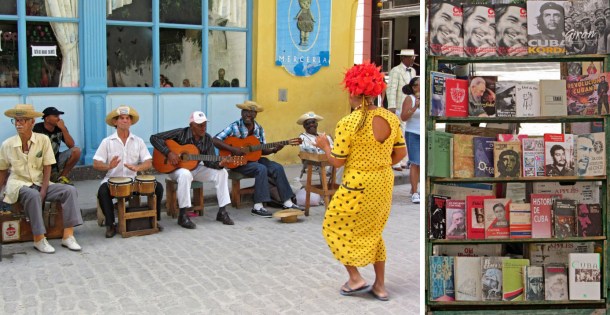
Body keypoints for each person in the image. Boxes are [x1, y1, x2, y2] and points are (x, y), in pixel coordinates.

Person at [314, 62, 407, 301]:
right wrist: (380, 163)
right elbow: (400, 154)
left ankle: (355, 278)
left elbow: (337, 162)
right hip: (383, 182)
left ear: (353, 92)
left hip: (358, 183)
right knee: (374, 232)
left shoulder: (348, 122)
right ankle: (380, 286)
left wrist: (324, 145)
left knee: (333, 226)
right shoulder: (390, 118)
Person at [0, 104, 83, 253]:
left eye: (22, 120)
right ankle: (39, 238)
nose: (18, 124)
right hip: (19, 185)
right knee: (32, 195)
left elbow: (47, 167)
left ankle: (68, 236)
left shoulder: (43, 140)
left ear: (32, 122)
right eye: (16, 121)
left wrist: (44, 190)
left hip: (40, 181)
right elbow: (3, 171)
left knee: (69, 190)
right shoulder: (7, 145)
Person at [213, 100, 304, 218]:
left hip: (254, 160)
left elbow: (261, 150)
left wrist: (274, 150)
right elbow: (215, 140)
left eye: (252, 112)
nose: (248, 115)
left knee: (277, 167)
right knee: (261, 169)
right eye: (246, 111)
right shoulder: (234, 127)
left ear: (256, 115)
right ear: (241, 112)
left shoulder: (259, 129)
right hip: (237, 162)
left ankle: (287, 202)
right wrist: (235, 150)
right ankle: (258, 206)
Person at [150, 111, 234, 227]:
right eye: (199, 125)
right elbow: (154, 138)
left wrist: (220, 164)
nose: (203, 128)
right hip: (175, 169)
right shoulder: (180, 133)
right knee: (185, 174)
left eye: (204, 124)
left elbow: (210, 163)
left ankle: (222, 212)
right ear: (191, 125)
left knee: (222, 172)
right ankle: (183, 215)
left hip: (195, 168)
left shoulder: (207, 139)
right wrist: (168, 153)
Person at [93, 106, 164, 238]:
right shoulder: (107, 142)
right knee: (103, 192)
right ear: (115, 122)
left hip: (133, 181)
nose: (125, 121)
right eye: (121, 118)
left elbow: (148, 161)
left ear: (131, 122)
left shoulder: (138, 141)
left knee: (158, 188)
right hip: (112, 180)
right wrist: (109, 165)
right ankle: (110, 224)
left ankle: (155, 220)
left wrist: (138, 168)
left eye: (127, 118)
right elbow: (96, 163)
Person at [32, 107, 81, 185]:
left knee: (76, 151)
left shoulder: (60, 128)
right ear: (47, 118)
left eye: (59, 116)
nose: (59, 119)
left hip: (56, 159)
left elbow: (71, 145)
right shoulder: (37, 128)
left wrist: (63, 129)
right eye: (56, 116)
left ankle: (61, 178)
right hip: (40, 162)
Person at [387, 49, 416, 170]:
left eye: (413, 57)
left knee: (407, 134)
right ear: (404, 58)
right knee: (399, 134)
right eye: (411, 57)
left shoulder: (413, 71)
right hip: (399, 106)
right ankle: (396, 162)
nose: (413, 60)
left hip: (410, 106)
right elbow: (391, 89)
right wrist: (392, 106)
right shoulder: (395, 70)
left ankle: (404, 161)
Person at [400, 77, 420, 203]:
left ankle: (416, 187)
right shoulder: (410, 99)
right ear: (414, 87)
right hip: (413, 133)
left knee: (421, 163)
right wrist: (414, 108)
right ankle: (414, 192)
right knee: (415, 162)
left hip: (423, 133)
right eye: (419, 85)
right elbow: (403, 117)